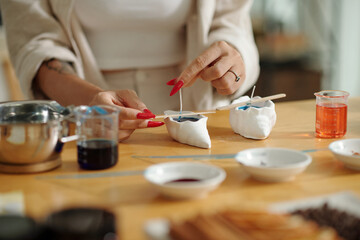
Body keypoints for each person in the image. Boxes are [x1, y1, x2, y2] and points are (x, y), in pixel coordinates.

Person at [0, 0, 260, 141]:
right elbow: (34, 42)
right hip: (82, 116)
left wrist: (232, 57)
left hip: (195, 107)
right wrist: (92, 104)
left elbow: (231, 20)